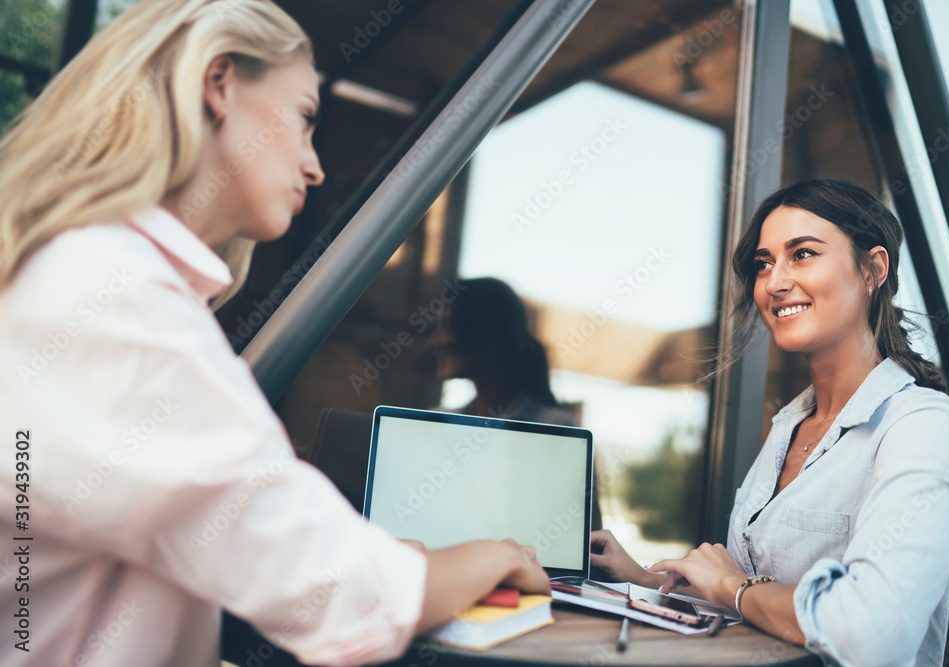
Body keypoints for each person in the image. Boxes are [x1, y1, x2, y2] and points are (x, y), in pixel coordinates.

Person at [0, 2, 548, 666]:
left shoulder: (88, 274)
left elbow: (248, 536)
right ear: (219, 81)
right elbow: (337, 595)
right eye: (307, 118)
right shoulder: (115, 298)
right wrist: (499, 553)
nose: (315, 167)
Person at [590, 178, 949, 666]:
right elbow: (751, 609)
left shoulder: (923, 425)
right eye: (764, 263)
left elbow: (869, 633)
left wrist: (733, 585)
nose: (774, 282)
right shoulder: (789, 426)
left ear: (874, 269)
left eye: (804, 254)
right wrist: (648, 579)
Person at [431, 277, 578, 426]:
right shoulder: (439, 421)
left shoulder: (555, 426)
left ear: (485, 332)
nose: (436, 341)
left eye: (447, 327)